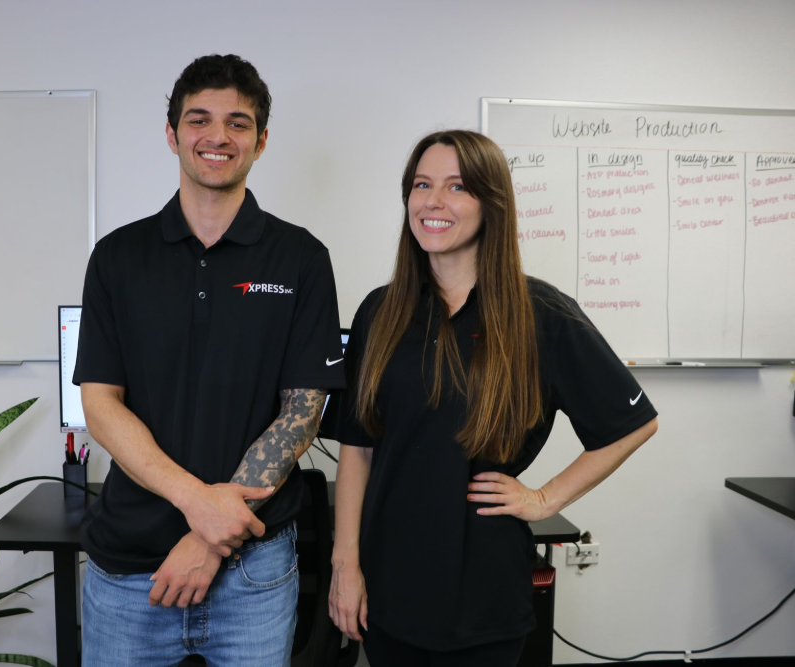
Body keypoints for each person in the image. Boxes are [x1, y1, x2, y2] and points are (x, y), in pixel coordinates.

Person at [324, 130, 658, 666]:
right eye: (422, 185)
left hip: (483, 595)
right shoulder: (380, 312)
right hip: (388, 585)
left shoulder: (540, 314)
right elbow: (357, 448)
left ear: (491, 203)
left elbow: (633, 423)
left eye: (457, 187)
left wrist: (545, 499)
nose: (433, 201)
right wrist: (345, 564)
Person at [73, 54, 345, 667]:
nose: (217, 136)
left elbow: (302, 414)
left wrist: (209, 538)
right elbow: (101, 405)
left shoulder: (301, 258)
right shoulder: (117, 257)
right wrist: (199, 503)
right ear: (173, 135)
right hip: (129, 573)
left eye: (237, 123)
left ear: (261, 141)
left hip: (253, 573)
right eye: (199, 119)